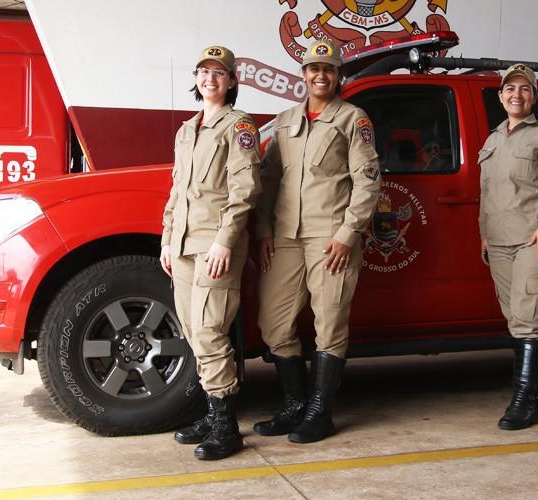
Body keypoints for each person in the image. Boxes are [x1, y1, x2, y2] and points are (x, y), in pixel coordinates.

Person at [253, 39, 382, 444]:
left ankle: (320, 413)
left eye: (328, 68)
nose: (320, 74)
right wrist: (264, 231)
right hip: (286, 236)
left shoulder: (353, 119)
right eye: (313, 68)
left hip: (331, 237)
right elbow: (269, 179)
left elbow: (368, 181)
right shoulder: (287, 119)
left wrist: (349, 233)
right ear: (304, 75)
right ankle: (294, 406)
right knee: (273, 324)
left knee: (329, 323)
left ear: (338, 75)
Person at [160, 45, 261, 460]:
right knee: (192, 330)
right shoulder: (187, 130)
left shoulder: (240, 127)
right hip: (183, 244)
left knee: (209, 330)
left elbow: (245, 190)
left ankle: (226, 427)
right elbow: (176, 190)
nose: (210, 78)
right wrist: (167, 237)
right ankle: (209, 411)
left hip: (215, 246)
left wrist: (225, 240)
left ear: (232, 81)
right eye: (203, 71)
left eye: (219, 73)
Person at [478, 64, 538, 430]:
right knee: (515, 319)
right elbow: (486, 192)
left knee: (530, 319)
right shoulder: (492, 139)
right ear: (501, 95)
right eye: (510, 89)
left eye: (524, 89)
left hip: (535, 238)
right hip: (499, 241)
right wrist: (484, 233)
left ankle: (523, 402)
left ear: (534, 96)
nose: (516, 95)